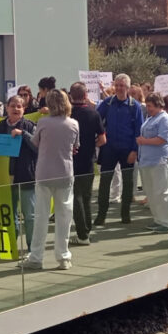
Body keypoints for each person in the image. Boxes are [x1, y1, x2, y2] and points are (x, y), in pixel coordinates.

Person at [22, 90, 80, 270]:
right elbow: (75, 146)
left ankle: (36, 256)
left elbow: (35, 142)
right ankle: (63, 257)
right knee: (64, 216)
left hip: (45, 172)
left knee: (41, 216)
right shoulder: (73, 123)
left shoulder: (43, 122)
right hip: (64, 172)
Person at [0, 95, 37, 250]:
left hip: (26, 175)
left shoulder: (29, 126)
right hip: (5, 176)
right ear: (7, 108)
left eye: (19, 106)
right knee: (10, 215)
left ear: (24, 109)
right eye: (12, 106)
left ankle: (32, 248)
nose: (15, 109)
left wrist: (24, 135)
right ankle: (11, 246)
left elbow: (38, 147)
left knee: (29, 215)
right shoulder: (0, 126)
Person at [94, 74, 144, 226]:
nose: (119, 88)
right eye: (117, 85)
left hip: (127, 150)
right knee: (104, 182)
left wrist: (134, 151)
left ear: (128, 88)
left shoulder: (134, 106)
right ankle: (101, 215)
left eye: (122, 85)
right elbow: (96, 118)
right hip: (109, 149)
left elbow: (138, 130)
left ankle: (125, 214)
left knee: (128, 183)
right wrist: (99, 136)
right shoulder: (107, 103)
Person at [68, 82, 106, 245]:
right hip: (89, 159)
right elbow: (103, 139)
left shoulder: (67, 115)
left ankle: (82, 232)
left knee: (75, 196)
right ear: (85, 96)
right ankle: (86, 231)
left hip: (71, 159)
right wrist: (91, 145)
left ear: (70, 96)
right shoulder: (93, 114)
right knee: (86, 196)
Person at [136, 93, 168, 233]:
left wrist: (143, 141)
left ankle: (167, 221)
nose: (148, 108)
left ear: (158, 105)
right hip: (146, 160)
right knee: (151, 193)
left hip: (159, 161)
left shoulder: (165, 119)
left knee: (161, 191)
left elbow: (162, 139)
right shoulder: (150, 118)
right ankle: (158, 219)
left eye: (151, 106)